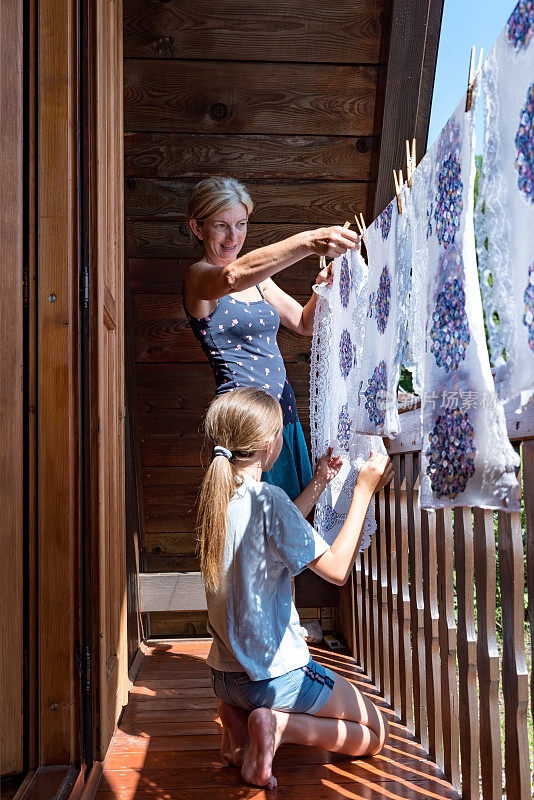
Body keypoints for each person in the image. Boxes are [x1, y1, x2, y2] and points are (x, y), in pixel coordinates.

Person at [197, 387, 393, 789]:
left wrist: (320, 482)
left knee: (250, 703)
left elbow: (284, 529)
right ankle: (279, 726)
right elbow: (337, 570)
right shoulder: (268, 500)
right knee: (377, 733)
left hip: (226, 676)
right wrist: (363, 491)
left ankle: (238, 737)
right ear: (271, 444)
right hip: (272, 679)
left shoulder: (220, 499)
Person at [183, 176, 361, 500]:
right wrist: (308, 241)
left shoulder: (260, 282)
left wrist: (323, 287)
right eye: (221, 225)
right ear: (198, 228)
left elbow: (305, 323)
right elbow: (232, 277)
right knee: (258, 534)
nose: (233, 236)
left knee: (294, 525)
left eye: (241, 224)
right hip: (245, 424)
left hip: (283, 415)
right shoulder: (198, 278)